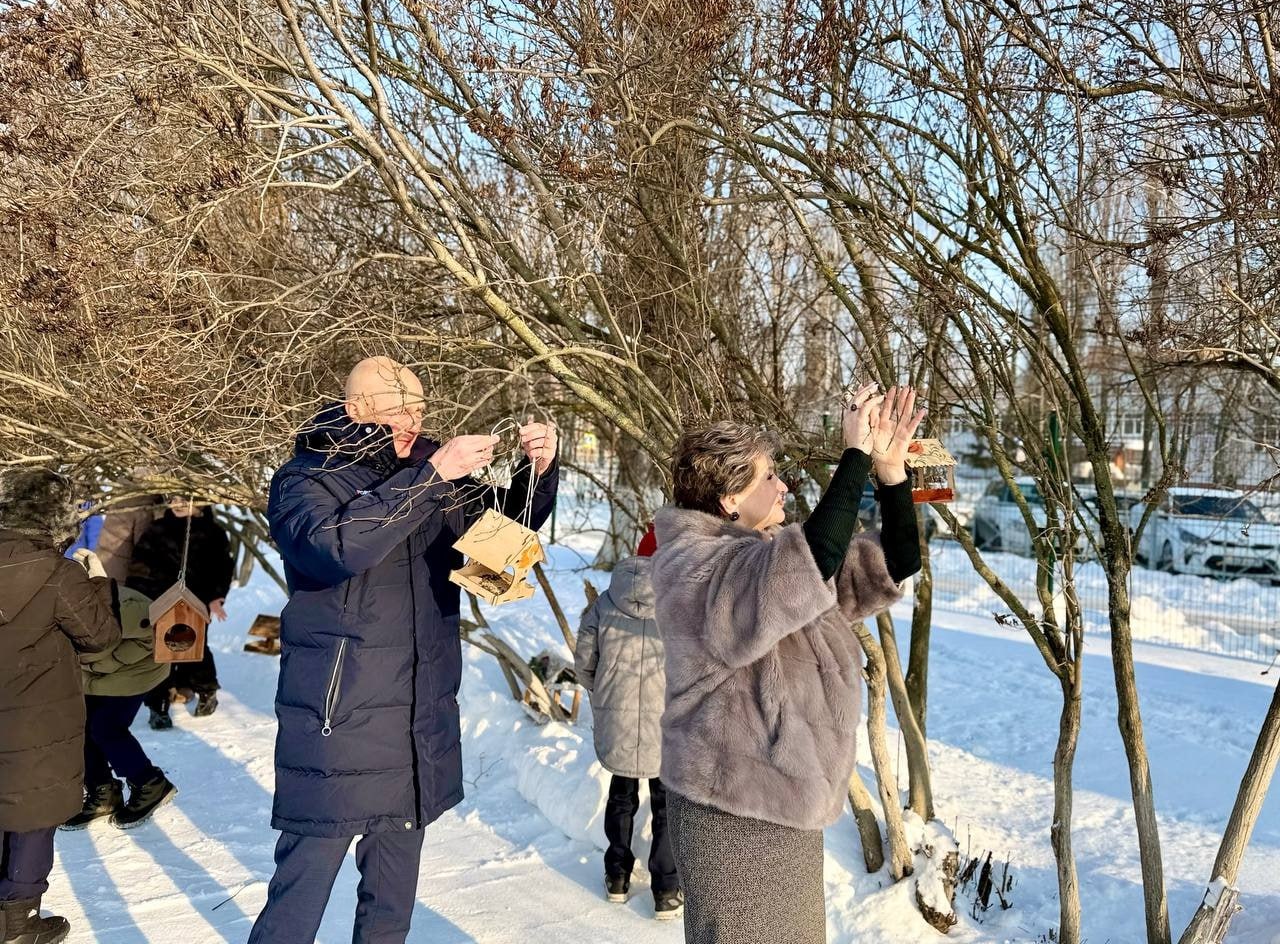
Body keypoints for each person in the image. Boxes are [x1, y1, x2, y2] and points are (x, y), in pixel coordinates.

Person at [246, 356, 559, 944]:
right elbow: (335, 548)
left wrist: (536, 472)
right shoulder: (306, 477)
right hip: (341, 719)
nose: (414, 420)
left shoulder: (429, 471)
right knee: (300, 895)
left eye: (419, 407)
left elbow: (501, 533)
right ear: (358, 408)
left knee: (391, 903)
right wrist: (433, 473)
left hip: (419, 711)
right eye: (400, 409)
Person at [652, 384, 926, 944]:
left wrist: (890, 473)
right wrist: (852, 456)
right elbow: (802, 566)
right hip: (731, 813)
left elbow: (895, 562)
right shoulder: (691, 567)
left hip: (787, 809)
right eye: (769, 476)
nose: (783, 485)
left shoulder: (768, 555)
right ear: (729, 499)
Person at [0, 468, 119, 944]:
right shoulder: (57, 573)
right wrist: (97, 582)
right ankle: (17, 922)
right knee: (33, 814)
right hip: (38, 720)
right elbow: (101, 638)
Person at [575, 536, 681, 920]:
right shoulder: (674, 605)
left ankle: (616, 876)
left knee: (621, 794)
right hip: (662, 719)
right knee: (666, 803)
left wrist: (601, 692)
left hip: (616, 717)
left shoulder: (604, 603)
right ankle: (666, 889)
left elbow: (585, 660)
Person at [63, 585, 176, 830]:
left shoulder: (121, 608)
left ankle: (150, 783)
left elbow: (155, 635)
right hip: (97, 673)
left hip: (138, 670)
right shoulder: (53, 608)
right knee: (80, 724)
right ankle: (102, 791)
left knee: (106, 727)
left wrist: (108, 663)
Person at [126, 496, 235, 727]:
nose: (179, 504)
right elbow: (139, 566)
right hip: (160, 599)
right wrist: (139, 597)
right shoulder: (157, 530)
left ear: (201, 503)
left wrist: (217, 597)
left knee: (193, 646)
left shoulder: (213, 532)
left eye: (185, 499)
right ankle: (158, 704)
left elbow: (222, 567)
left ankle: (206, 691)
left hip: (196, 600)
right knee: (160, 651)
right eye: (173, 499)